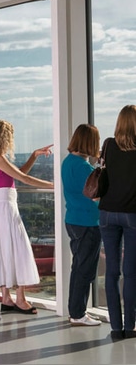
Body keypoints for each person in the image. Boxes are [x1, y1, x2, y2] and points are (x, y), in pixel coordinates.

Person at [0, 119, 53, 315]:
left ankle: (7, 297)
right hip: (4, 205)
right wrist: (53, 185)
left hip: (2, 203)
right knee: (17, 247)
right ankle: (19, 299)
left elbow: (17, 173)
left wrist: (34, 156)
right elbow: (24, 178)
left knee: (5, 248)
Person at [98, 105, 136, 340]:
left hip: (107, 214)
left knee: (111, 272)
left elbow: (103, 173)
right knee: (131, 273)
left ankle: (115, 328)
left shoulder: (108, 144)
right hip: (132, 215)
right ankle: (130, 327)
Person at [61, 124, 102, 327]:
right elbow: (95, 196)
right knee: (84, 269)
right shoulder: (85, 168)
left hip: (73, 220)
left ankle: (75, 311)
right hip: (88, 222)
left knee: (78, 267)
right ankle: (78, 313)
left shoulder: (67, 163)